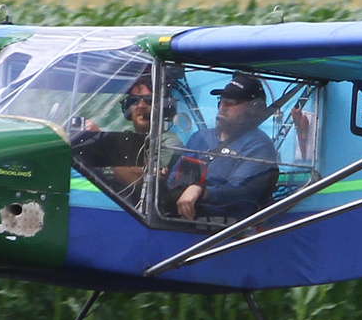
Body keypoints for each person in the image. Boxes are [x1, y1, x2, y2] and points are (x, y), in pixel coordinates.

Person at [172, 73, 281, 222]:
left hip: (223, 225)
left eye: (232, 102)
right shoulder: (201, 137)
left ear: (253, 109)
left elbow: (238, 192)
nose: (223, 107)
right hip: (180, 212)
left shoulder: (259, 145)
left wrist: (201, 191)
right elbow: (174, 176)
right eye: (222, 100)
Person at [71, 72, 174, 201]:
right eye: (134, 101)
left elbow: (141, 183)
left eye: (149, 100)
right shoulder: (124, 139)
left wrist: (101, 141)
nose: (141, 106)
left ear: (164, 107)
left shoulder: (169, 141)